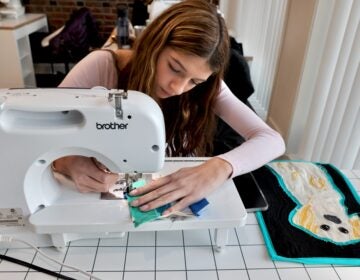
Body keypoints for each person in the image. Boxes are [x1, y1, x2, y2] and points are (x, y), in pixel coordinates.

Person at [54, 0, 285, 216]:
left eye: (194, 82)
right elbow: (41, 126)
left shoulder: (209, 89)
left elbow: (272, 140)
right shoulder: (103, 66)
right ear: (155, 43)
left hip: (170, 186)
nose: (178, 88)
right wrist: (65, 160)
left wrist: (220, 166)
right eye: (175, 67)